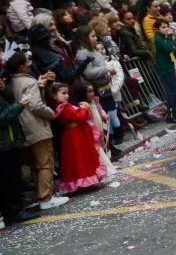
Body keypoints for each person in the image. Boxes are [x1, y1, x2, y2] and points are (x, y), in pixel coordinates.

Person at [6, 53, 67, 210]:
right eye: (27, 62)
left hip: (23, 127)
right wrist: (51, 113)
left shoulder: (12, 82)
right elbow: (36, 105)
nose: (30, 64)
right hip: (37, 126)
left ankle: (41, 195)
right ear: (21, 66)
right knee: (46, 163)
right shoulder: (28, 82)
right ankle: (46, 197)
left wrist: (39, 84)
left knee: (35, 164)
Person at [46, 81, 105, 194]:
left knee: (80, 158)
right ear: (54, 95)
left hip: (75, 134)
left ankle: (85, 182)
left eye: (67, 93)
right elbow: (79, 118)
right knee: (79, 159)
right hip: (74, 136)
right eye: (63, 93)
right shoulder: (63, 107)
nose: (66, 95)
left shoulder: (63, 106)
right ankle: (83, 182)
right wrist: (84, 109)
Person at [0, 61, 38, 226]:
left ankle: (14, 209)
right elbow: (2, 118)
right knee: (9, 179)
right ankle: (13, 211)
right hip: (4, 144)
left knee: (12, 177)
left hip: (9, 142)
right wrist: (18, 106)